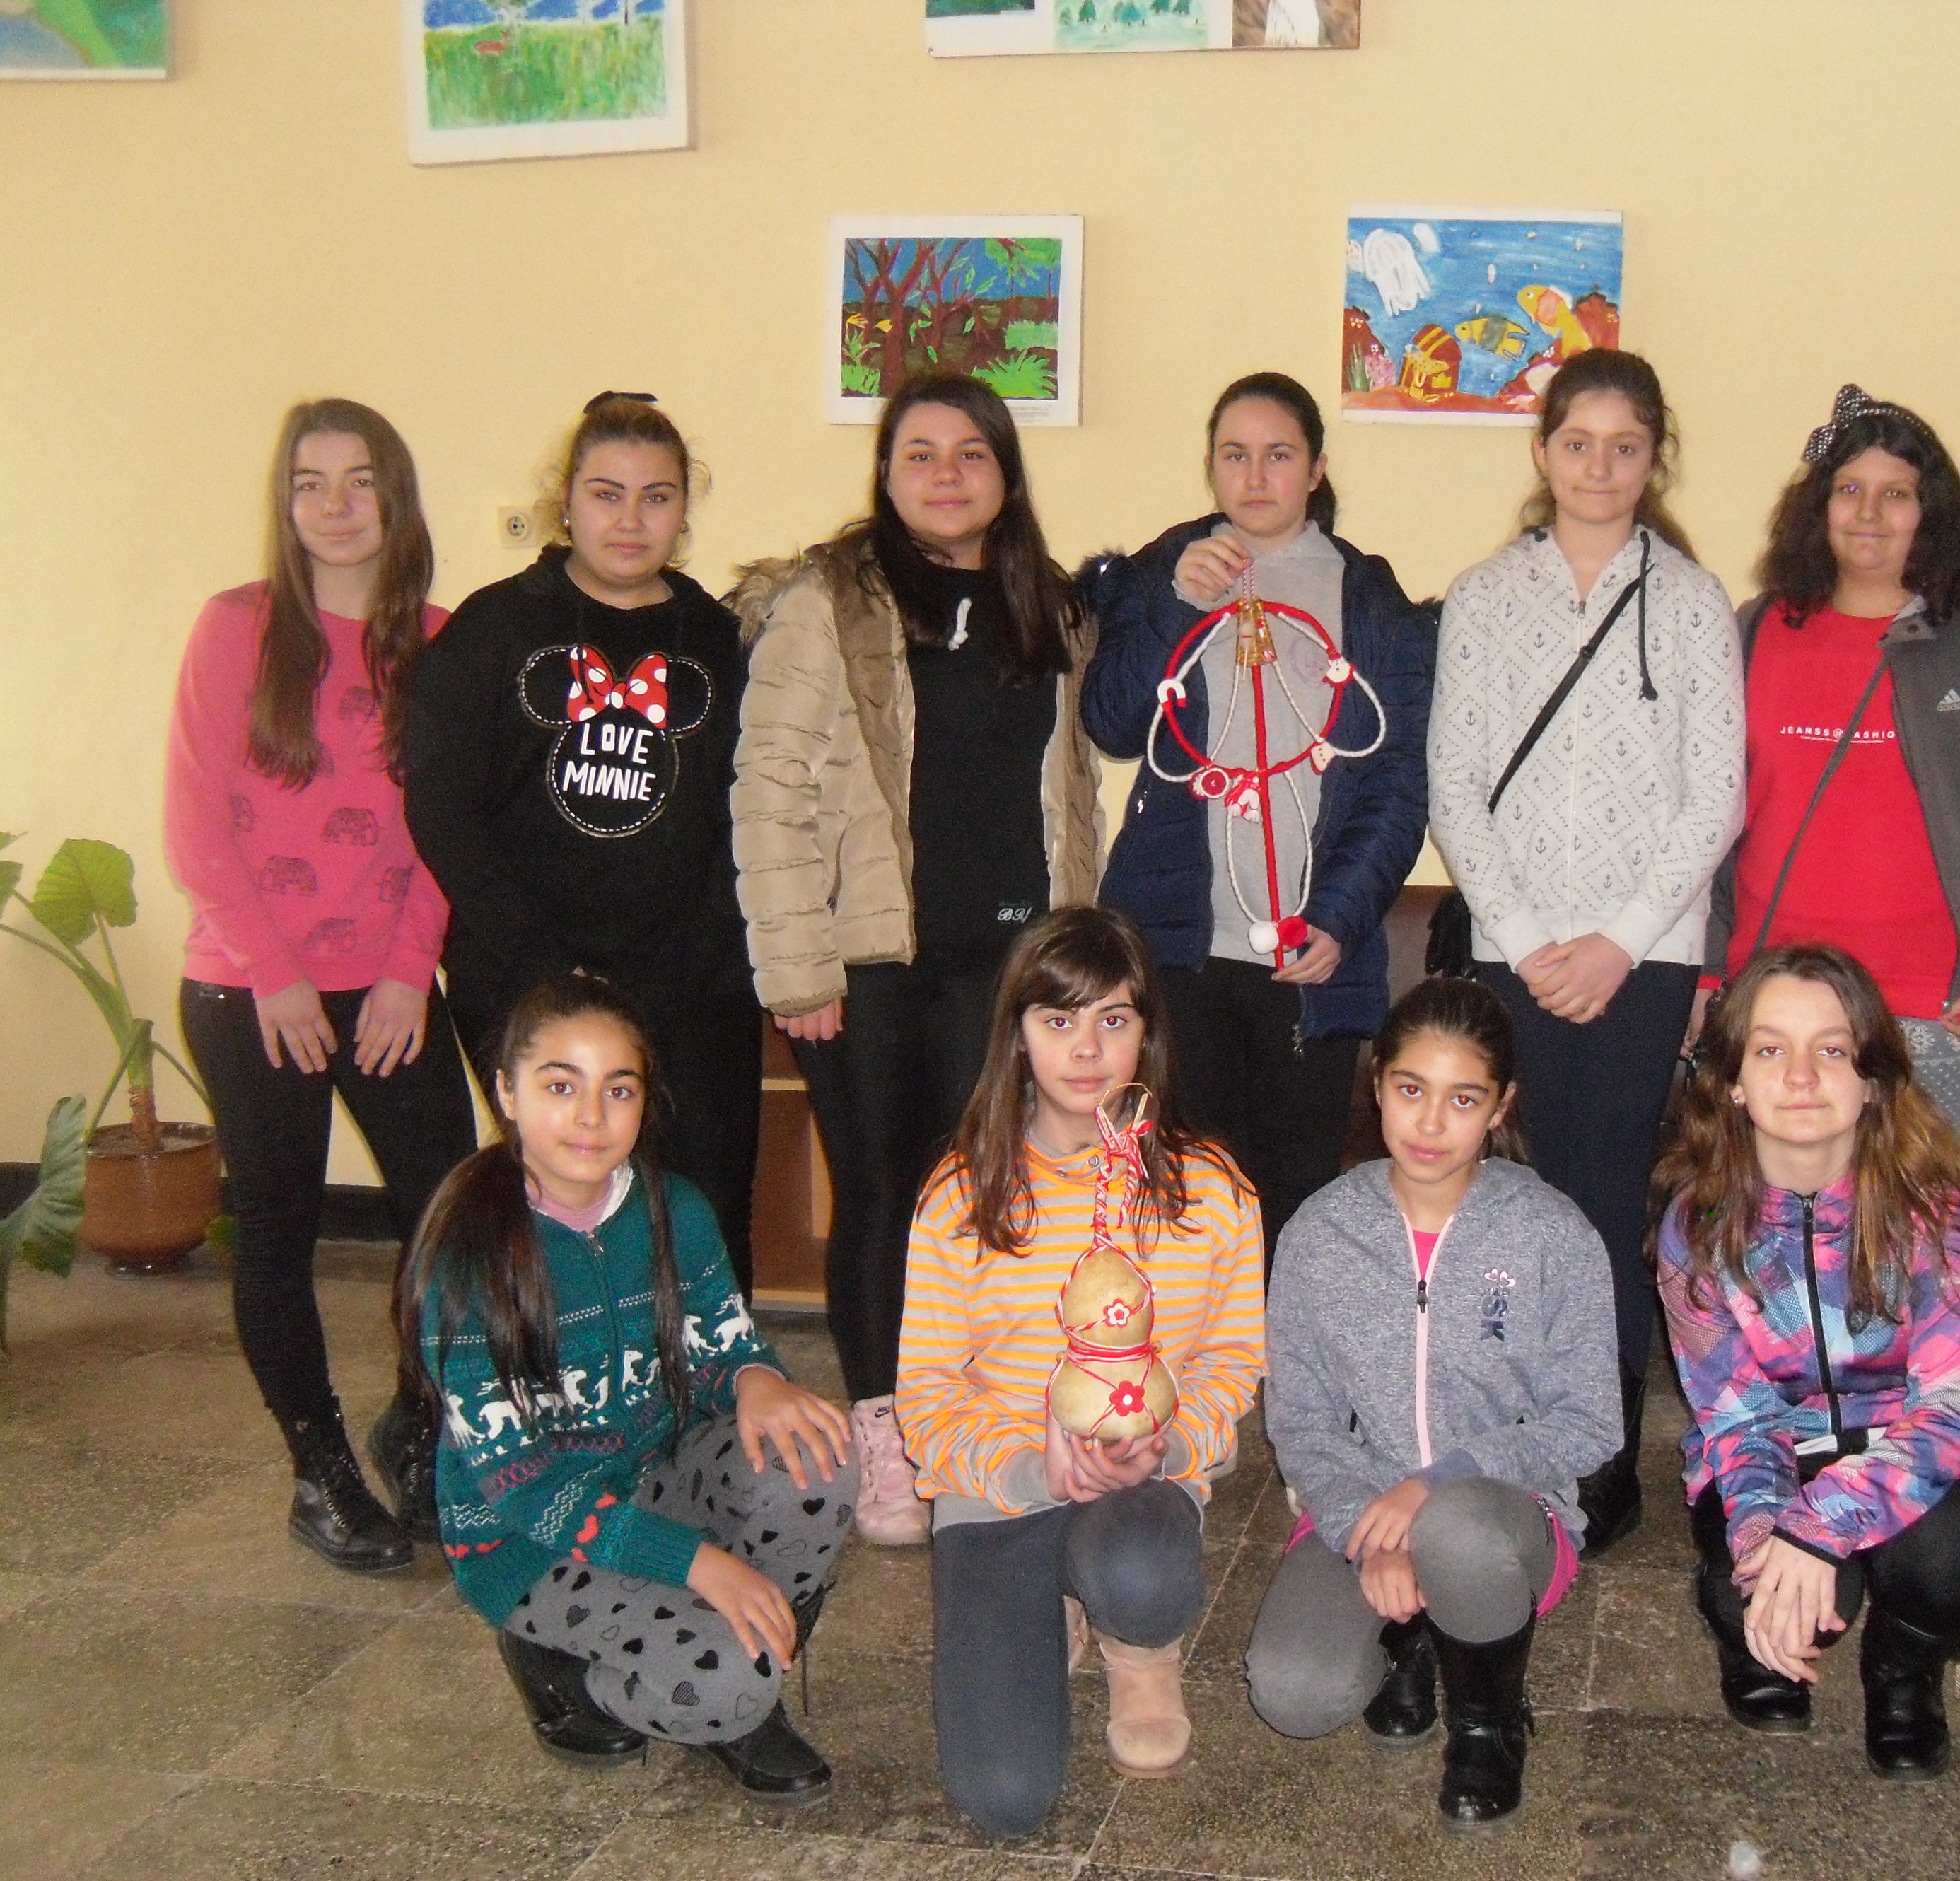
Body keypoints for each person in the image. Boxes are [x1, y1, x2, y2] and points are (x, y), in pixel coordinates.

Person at [731, 372, 1101, 1547]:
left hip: (1009, 968)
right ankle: (887, 1438)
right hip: (869, 968)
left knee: (988, 1200)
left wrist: (1074, 955)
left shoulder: (1047, 605)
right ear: (885, 473)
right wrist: (798, 968)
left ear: (1006, 474)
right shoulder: (826, 604)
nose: (946, 475)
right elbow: (769, 790)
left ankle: (979, 1416)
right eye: (920, 454)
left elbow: (1072, 791)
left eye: (971, 453)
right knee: (887, 1197)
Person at [1428, 346, 1745, 1552]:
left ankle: (1603, 1448)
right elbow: (1454, 785)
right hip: (1513, 951)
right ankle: (1502, 1423)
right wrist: (1523, 940)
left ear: (1654, 456)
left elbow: (1715, 794)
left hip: (1641, 956)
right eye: (1578, 443)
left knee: (1607, 1198)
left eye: (1624, 446)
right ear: (1542, 451)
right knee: (1510, 1196)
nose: (1599, 466)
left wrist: (1619, 942)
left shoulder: (1693, 602)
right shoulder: (1481, 597)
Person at [400, 974, 859, 1804]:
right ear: (507, 1092)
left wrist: (755, 1376)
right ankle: (574, 1669)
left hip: (652, 1481)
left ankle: (747, 1657)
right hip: (528, 1545)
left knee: (820, 1455)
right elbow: (525, 1491)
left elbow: (719, 1343)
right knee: (725, 1680)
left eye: (618, 1090)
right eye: (560, 1086)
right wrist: (695, 1563)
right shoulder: (468, 1258)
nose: (591, 1116)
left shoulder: (673, 1209)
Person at [163, 397, 479, 1570]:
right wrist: (276, 976)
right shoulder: (234, 629)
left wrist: (404, 974)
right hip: (253, 994)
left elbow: (452, 827)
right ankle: (321, 1467)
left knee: (450, 1220)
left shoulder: (443, 642)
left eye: (360, 481)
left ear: (396, 498)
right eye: (310, 482)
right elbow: (197, 824)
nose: (336, 506)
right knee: (278, 1229)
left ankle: (420, 1427)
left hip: (389, 989)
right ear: (285, 502)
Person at [895, 906, 1264, 1839]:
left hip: (1143, 1483)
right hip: (1001, 1487)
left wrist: (1167, 1444)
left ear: (1149, 1034)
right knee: (1004, 1796)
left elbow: (1232, 1362)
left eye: (1114, 1018)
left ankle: (1139, 1645)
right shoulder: (961, 1197)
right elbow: (927, 1395)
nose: (1088, 1048)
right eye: (1058, 1019)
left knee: (1142, 1572)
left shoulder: (1213, 1193)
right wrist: (1033, 1470)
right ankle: (1050, 1604)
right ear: (1018, 1036)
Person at [402, 393, 763, 1298]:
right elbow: (444, 808)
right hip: (522, 977)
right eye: (607, 494)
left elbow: (753, 815)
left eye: (656, 497)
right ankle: (553, 1374)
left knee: (704, 1210)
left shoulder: (725, 643)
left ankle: (708, 1384)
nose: (630, 520)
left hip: (692, 985)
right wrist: (551, 972)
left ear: (685, 509)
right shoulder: (493, 629)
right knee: (557, 1213)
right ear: (566, 501)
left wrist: (675, 969)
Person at [1247, 975, 1618, 1831]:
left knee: (1457, 1531)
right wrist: (1362, 1526)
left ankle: (1489, 1720)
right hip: (1365, 1506)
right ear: (1378, 1082)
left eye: (1463, 1099)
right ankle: (1410, 1637)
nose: (1430, 1123)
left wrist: (1439, 1482)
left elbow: (1592, 1418)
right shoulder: (1320, 1233)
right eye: (1411, 1090)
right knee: (1294, 1694)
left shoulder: (1551, 1232)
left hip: (1503, 1517)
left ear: (1500, 1106)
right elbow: (1300, 1420)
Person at [1081, 371, 1434, 1257]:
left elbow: (1398, 780)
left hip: (1307, 960)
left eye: (1279, 455)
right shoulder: (1170, 568)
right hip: (1180, 949)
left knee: (1293, 1206)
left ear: (1316, 468)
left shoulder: (1369, 598)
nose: (1256, 475)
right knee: (1183, 1204)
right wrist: (1176, 605)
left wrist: (1341, 917)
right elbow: (1111, 723)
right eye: (1234, 455)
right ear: (1210, 466)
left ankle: (1288, 1349)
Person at [1652, 944, 1960, 1780]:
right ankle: (1754, 1627)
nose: (1802, 1077)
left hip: (1905, 1444)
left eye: (1834, 1050)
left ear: (1872, 1080)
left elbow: (1956, 1407)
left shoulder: (1930, 1214)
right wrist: (1769, 1546)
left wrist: (1817, 1533)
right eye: (1771, 1049)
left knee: (1958, 1554)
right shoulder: (1698, 1227)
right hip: (1772, 1448)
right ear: (1732, 1081)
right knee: (1756, 1591)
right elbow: (1737, 1421)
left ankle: (1904, 1667)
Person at [1708, 383, 1960, 1140]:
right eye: (1849, 490)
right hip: (1770, 997)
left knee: (1908, 1212)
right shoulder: (1754, 629)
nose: (1869, 513)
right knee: (1775, 1207)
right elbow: (1709, 813)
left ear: (1930, 512)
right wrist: (1709, 968)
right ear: (1819, 505)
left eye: (1896, 494)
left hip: (1934, 1007)